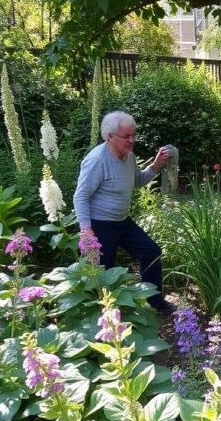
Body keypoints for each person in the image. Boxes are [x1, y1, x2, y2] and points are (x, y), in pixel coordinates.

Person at [74, 111, 175, 313]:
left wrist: (155, 166)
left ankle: (155, 302)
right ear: (109, 136)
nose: (132, 140)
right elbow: (80, 196)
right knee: (104, 273)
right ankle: (106, 319)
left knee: (151, 252)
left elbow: (136, 181)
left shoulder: (129, 157)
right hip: (100, 224)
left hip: (122, 221)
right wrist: (86, 230)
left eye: (133, 135)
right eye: (126, 136)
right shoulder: (97, 160)